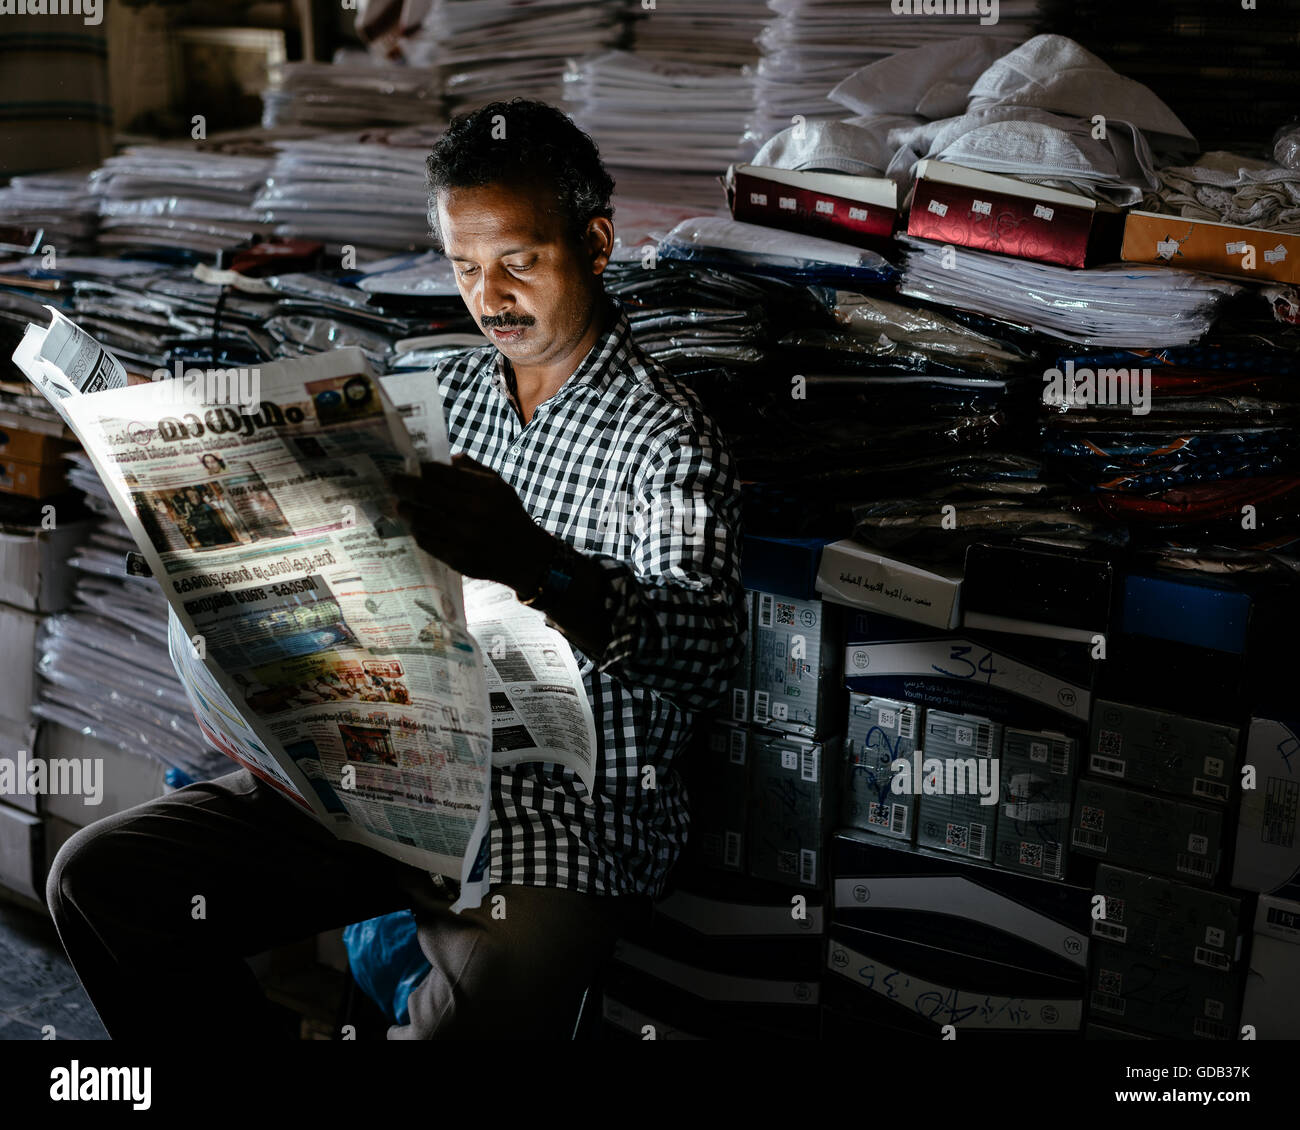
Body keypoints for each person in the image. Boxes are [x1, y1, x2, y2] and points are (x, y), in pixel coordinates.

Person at [46, 98, 746, 1041]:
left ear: (597, 241)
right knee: (101, 883)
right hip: (388, 777)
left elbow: (704, 648)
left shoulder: (664, 435)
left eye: (520, 263)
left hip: (560, 820)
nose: (491, 297)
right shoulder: (440, 391)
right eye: (465, 268)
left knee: (469, 1014)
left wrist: (539, 566)